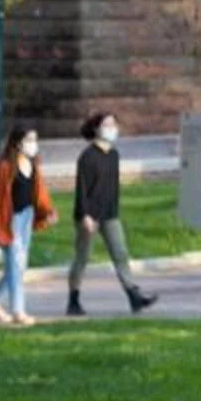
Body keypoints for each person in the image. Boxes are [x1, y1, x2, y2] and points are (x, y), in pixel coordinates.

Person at [68, 112, 159, 318]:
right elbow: (81, 189)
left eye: (114, 124)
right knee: (82, 257)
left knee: (120, 253)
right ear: (97, 129)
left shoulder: (114, 155)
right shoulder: (88, 157)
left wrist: (114, 209)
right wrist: (85, 215)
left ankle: (134, 295)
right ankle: (73, 300)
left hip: (109, 214)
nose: (112, 129)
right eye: (107, 125)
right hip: (89, 216)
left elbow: (112, 187)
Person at [0, 124, 53, 328]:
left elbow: (40, 192)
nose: (33, 144)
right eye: (29, 140)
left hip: (27, 217)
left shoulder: (33, 165)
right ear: (17, 143)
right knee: (16, 266)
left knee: (19, 266)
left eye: (35, 140)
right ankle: (18, 311)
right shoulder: (4, 167)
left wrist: (47, 211)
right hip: (9, 221)